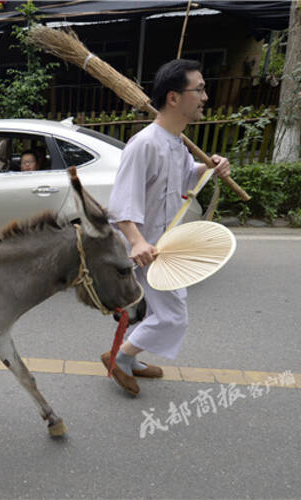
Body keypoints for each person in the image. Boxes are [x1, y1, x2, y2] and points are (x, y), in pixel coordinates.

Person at [102, 59, 231, 396]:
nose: (205, 96)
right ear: (174, 98)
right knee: (173, 315)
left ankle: (128, 356)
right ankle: (120, 358)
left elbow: (185, 178)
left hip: (168, 243)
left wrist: (210, 166)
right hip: (147, 248)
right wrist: (137, 243)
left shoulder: (176, 141)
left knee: (164, 308)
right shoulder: (144, 144)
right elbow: (120, 205)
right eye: (199, 89)